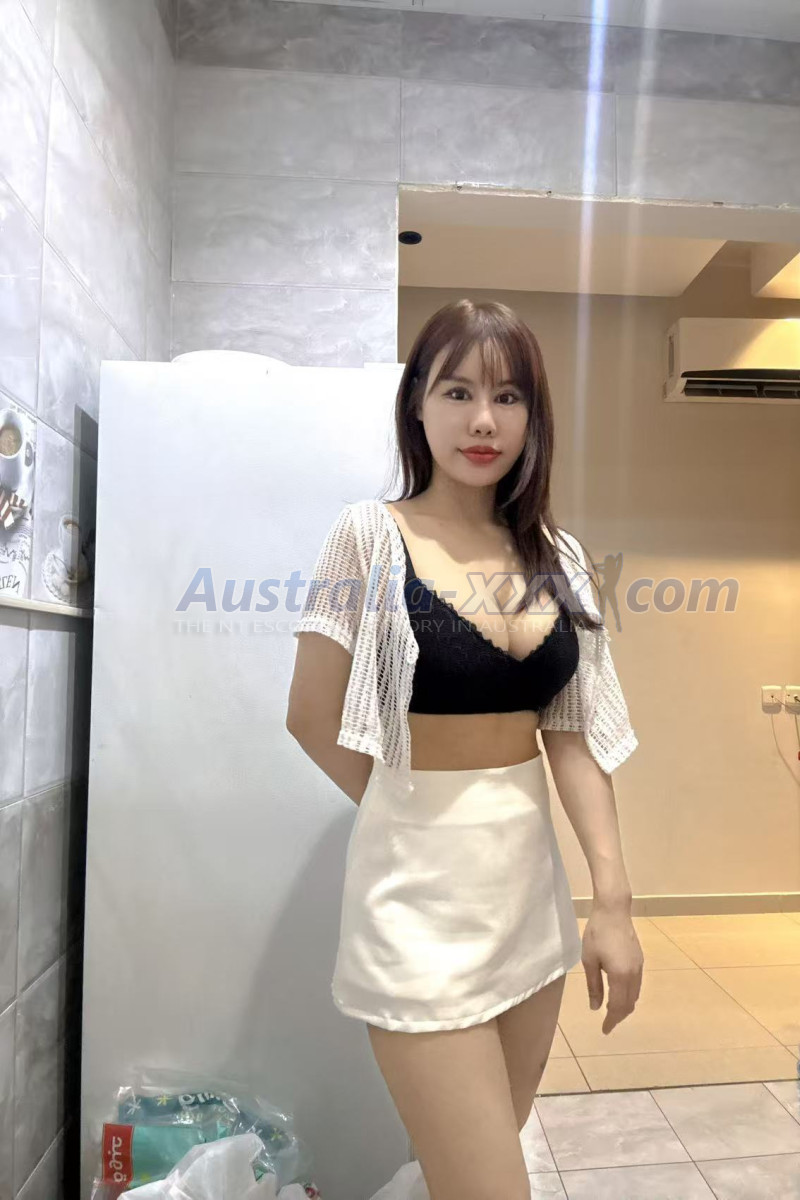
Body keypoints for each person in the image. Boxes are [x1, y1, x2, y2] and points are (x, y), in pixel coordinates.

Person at [286, 299, 643, 1200]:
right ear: (418, 404)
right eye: (457, 392)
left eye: (508, 397)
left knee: (463, 1170)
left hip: (527, 899)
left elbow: (572, 733)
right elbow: (311, 715)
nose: (484, 420)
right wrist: (409, 812)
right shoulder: (368, 537)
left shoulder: (559, 554)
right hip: (415, 908)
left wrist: (613, 902)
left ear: (531, 418)